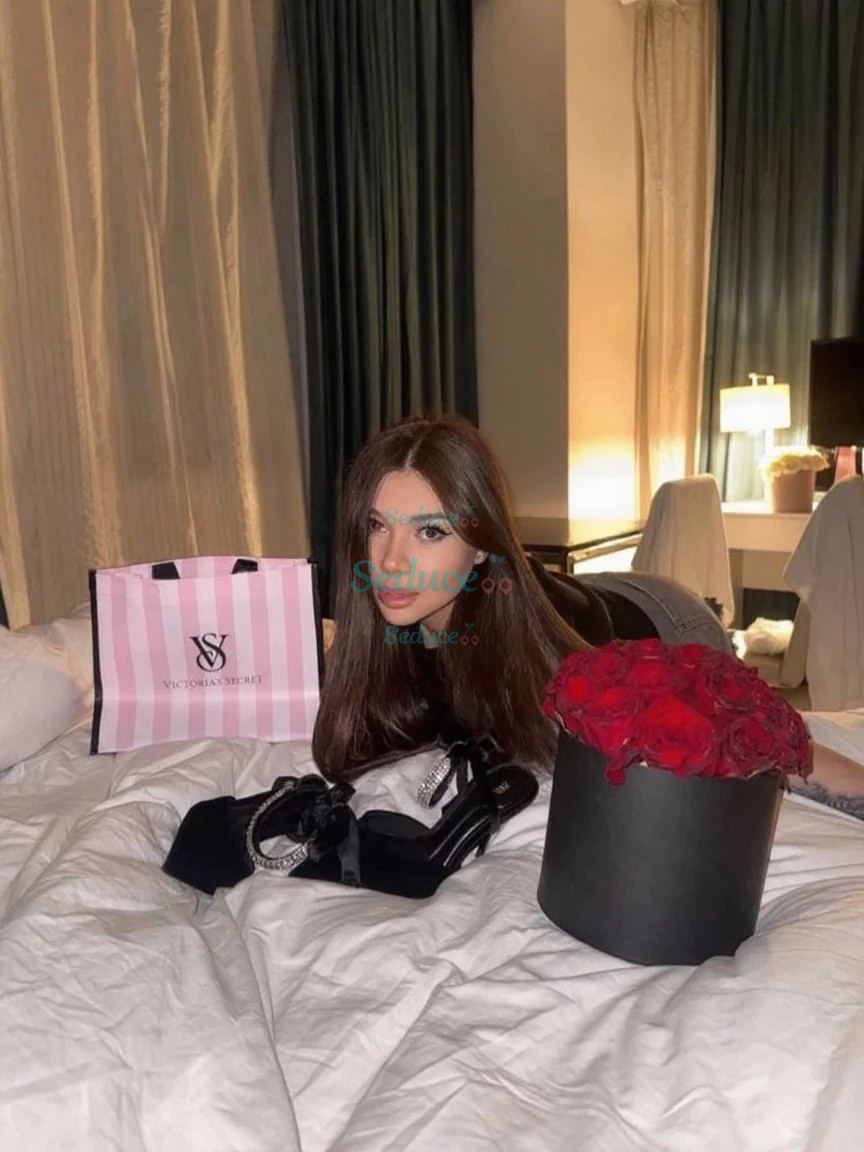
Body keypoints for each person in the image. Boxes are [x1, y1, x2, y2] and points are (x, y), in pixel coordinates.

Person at [313, 415, 731, 782]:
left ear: (481, 546)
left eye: (430, 531)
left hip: (666, 617)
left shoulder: (527, 656)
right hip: (578, 588)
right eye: (377, 526)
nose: (390, 562)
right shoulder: (386, 616)